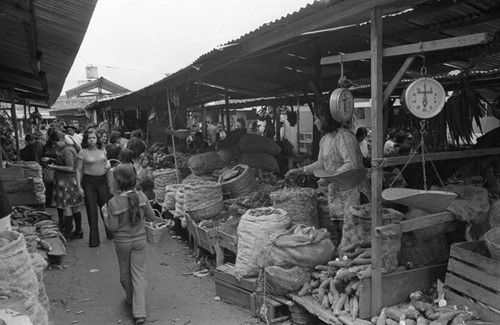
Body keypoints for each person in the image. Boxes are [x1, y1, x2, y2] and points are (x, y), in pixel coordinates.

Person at [286, 102, 369, 220]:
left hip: (354, 194)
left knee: (355, 231)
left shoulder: (345, 136)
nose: (314, 123)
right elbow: (321, 163)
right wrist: (300, 171)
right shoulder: (324, 140)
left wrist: (329, 178)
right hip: (338, 194)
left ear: (324, 119)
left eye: (316, 119)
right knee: (342, 232)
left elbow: (351, 165)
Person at [103, 164, 156, 325]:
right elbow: (152, 217)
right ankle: (139, 313)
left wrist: (104, 214)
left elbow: (112, 228)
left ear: (118, 182)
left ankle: (131, 299)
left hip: (122, 243)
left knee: (125, 275)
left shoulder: (113, 203)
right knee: (138, 275)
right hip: (140, 241)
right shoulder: (141, 197)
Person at [76, 128, 112, 246]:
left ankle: (110, 232)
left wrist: (108, 164)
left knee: (106, 207)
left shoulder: (102, 149)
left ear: (97, 139)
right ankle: (94, 240)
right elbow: (78, 170)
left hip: (102, 181)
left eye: (94, 138)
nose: (91, 140)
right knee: (92, 211)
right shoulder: (83, 152)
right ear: (86, 140)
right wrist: (79, 186)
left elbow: (107, 162)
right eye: (89, 138)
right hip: (89, 182)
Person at [46, 130, 84, 239]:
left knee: (67, 207)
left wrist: (53, 167)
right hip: (71, 181)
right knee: (75, 207)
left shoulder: (67, 150)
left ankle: (68, 232)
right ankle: (78, 230)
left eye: (56, 143)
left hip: (67, 182)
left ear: (62, 140)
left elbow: (70, 168)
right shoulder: (70, 148)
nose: (55, 145)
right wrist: (52, 160)